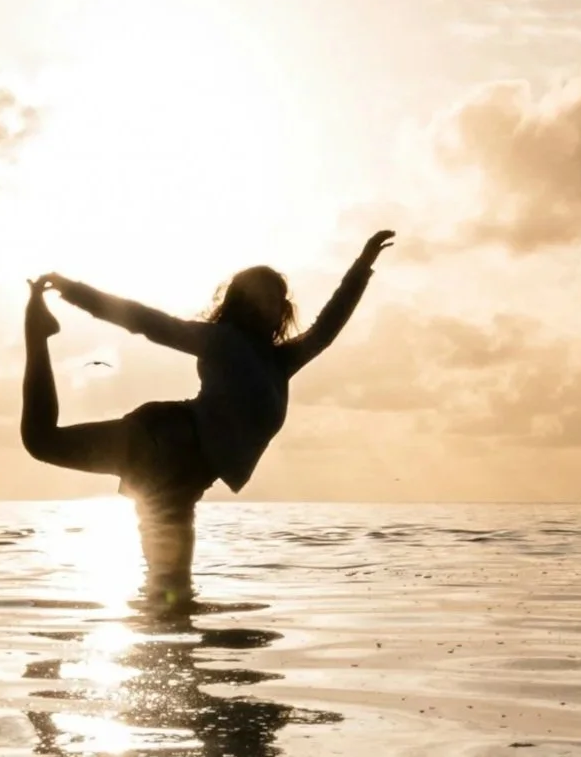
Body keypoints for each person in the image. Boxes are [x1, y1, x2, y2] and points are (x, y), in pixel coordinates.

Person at [21, 229, 395, 596]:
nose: (269, 303)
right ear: (240, 302)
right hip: (160, 444)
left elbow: (326, 329)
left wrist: (362, 265)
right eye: (259, 295)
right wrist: (75, 292)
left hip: (186, 479)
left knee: (171, 593)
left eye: (276, 297)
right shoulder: (221, 340)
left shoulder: (282, 362)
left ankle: (173, 648)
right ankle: (37, 332)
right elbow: (147, 322)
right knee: (42, 441)